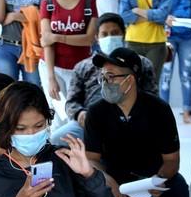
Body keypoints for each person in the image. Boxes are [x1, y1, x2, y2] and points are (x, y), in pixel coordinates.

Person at [84, 47, 191, 197]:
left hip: (153, 175)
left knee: (180, 190)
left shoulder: (158, 110)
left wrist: (158, 181)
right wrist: (106, 179)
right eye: (103, 77)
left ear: (129, 80)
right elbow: (91, 160)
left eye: (111, 77)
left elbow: (172, 160)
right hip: (114, 180)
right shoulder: (97, 111)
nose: (105, 82)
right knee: (82, 191)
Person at [51, 13, 156, 146]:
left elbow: (152, 97)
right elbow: (71, 102)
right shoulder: (83, 66)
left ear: (123, 34)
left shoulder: (142, 63)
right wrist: (80, 114)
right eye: (104, 34)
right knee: (57, 140)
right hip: (90, 122)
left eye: (114, 33)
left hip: (131, 120)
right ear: (97, 37)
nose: (110, 37)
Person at [38, 0, 98, 128]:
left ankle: (79, 152)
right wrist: (50, 78)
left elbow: (88, 39)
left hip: (80, 68)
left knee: (79, 114)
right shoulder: (48, 3)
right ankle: (58, 152)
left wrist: (57, 36)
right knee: (57, 116)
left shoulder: (89, 1)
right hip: (52, 67)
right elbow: (47, 43)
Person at [119, 0, 172, 87]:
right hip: (133, 42)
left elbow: (162, 16)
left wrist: (138, 11)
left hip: (156, 43)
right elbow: (123, 16)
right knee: (132, 84)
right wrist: (152, 16)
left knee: (151, 84)